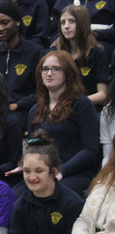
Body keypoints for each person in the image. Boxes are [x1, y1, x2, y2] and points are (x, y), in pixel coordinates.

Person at [26, 51, 99, 196]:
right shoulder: (35, 110)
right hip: (42, 175)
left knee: (52, 194)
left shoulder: (82, 105)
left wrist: (61, 171)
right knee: (13, 197)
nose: (49, 73)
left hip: (75, 174)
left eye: (56, 69)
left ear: (69, 74)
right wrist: (25, 167)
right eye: (45, 69)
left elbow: (90, 150)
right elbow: (31, 147)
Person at [0, 0, 46, 129]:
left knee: (6, 123)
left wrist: (16, 105)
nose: (0, 29)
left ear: (17, 22)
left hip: (24, 111)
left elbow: (42, 92)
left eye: (5, 23)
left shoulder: (35, 52)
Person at [56, 5, 109, 107]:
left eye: (72, 21)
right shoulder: (57, 54)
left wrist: (75, 102)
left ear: (82, 24)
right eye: (63, 22)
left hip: (88, 108)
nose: (66, 26)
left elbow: (103, 94)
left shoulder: (98, 54)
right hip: (61, 107)